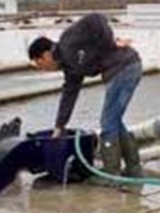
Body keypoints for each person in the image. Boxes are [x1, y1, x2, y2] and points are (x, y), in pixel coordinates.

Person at [27, 13, 144, 178]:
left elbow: (96, 19)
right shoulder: (70, 67)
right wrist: (59, 127)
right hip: (122, 69)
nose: (43, 68)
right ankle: (134, 170)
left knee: (108, 122)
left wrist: (110, 44)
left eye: (40, 64)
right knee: (114, 120)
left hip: (124, 67)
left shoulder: (68, 41)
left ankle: (113, 175)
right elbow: (69, 95)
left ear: (46, 55)